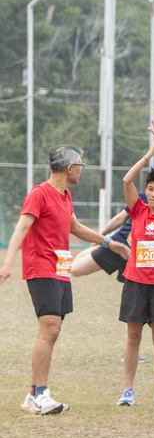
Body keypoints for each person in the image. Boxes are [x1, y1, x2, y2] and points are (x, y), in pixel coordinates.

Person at [1, 144, 118, 415]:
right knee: (50, 328)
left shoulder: (65, 196)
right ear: (70, 168)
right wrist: (7, 263)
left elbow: (75, 228)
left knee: (53, 330)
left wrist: (109, 242)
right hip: (41, 268)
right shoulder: (39, 194)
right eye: (81, 165)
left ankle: (33, 396)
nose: (82, 170)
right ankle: (41, 393)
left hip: (59, 269)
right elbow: (22, 227)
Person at [115, 145, 154, 407]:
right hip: (136, 283)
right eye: (150, 189)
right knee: (133, 338)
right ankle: (128, 390)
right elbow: (126, 180)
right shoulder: (138, 209)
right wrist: (147, 156)